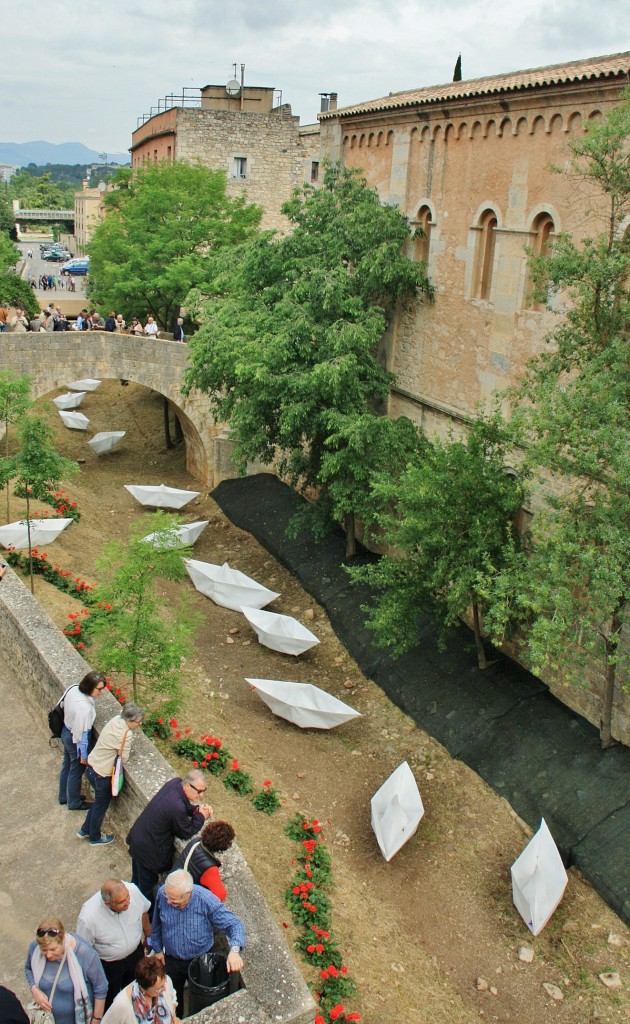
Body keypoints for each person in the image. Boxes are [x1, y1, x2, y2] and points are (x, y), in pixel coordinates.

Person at [149, 870, 244, 1010]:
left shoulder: (206, 900)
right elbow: (156, 924)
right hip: (172, 960)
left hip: (200, 962)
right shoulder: (164, 894)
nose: (168, 901)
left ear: (188, 893)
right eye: (167, 897)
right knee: (172, 1001)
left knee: (201, 1003)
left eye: (174, 900)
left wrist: (235, 950)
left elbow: (234, 924)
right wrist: (157, 950)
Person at [126, 772, 212, 907]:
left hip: (139, 840)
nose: (201, 795)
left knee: (136, 881)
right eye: (199, 791)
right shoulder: (176, 807)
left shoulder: (175, 783)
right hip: (149, 852)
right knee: (146, 892)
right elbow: (185, 831)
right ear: (188, 786)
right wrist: (201, 816)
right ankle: (145, 919)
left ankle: (130, 904)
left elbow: (184, 805)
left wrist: (195, 810)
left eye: (204, 791)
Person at [76, 881, 151, 1010]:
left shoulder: (132, 891)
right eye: (122, 902)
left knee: (138, 990)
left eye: (127, 897)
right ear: (108, 903)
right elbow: (84, 950)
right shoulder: (88, 917)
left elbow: (143, 912)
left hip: (135, 955)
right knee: (111, 998)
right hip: (110, 965)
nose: (128, 902)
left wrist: (149, 937)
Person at [77, 703, 145, 847]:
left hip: (92, 765)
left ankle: (85, 829)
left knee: (97, 803)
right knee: (100, 807)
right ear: (130, 720)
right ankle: (94, 837)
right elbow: (124, 758)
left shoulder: (115, 719)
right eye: (138, 722)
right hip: (102, 774)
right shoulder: (126, 734)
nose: (139, 725)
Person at [24, 918, 108, 1024]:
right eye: (44, 950)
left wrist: (96, 1019)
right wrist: (34, 990)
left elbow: (101, 988)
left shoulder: (85, 954)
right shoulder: (35, 948)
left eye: (53, 949)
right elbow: (28, 968)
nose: (48, 955)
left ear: (63, 940)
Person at [58, 671, 107, 811]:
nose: (101, 692)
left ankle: (64, 796)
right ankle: (74, 802)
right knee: (76, 770)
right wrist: (84, 756)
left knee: (67, 765)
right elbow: (83, 735)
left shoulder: (73, 688)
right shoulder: (85, 708)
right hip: (74, 739)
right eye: (99, 689)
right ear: (90, 687)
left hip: (66, 731)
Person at [100, 957, 177, 1024]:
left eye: (164, 983)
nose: (164, 989)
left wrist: (173, 1017)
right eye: (158, 989)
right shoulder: (122, 1004)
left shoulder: (165, 982)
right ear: (143, 988)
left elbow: (172, 996)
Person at [173, 821, 235, 902]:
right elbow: (220, 895)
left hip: (168, 886)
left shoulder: (195, 842)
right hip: (176, 900)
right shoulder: (210, 868)